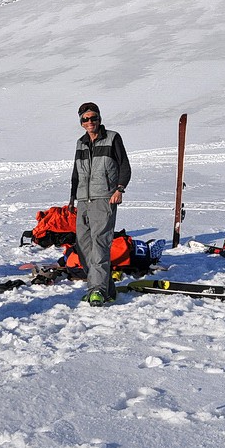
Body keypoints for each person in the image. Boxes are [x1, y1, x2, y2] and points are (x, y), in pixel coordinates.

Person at [68, 102, 131, 306]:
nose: (90, 122)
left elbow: (124, 165)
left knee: (100, 244)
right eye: (85, 119)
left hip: (104, 197)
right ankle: (108, 289)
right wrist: (72, 198)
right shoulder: (81, 143)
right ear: (81, 122)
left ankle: (97, 290)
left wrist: (119, 189)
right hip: (83, 200)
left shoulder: (112, 138)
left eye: (93, 118)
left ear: (99, 119)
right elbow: (76, 173)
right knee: (83, 245)